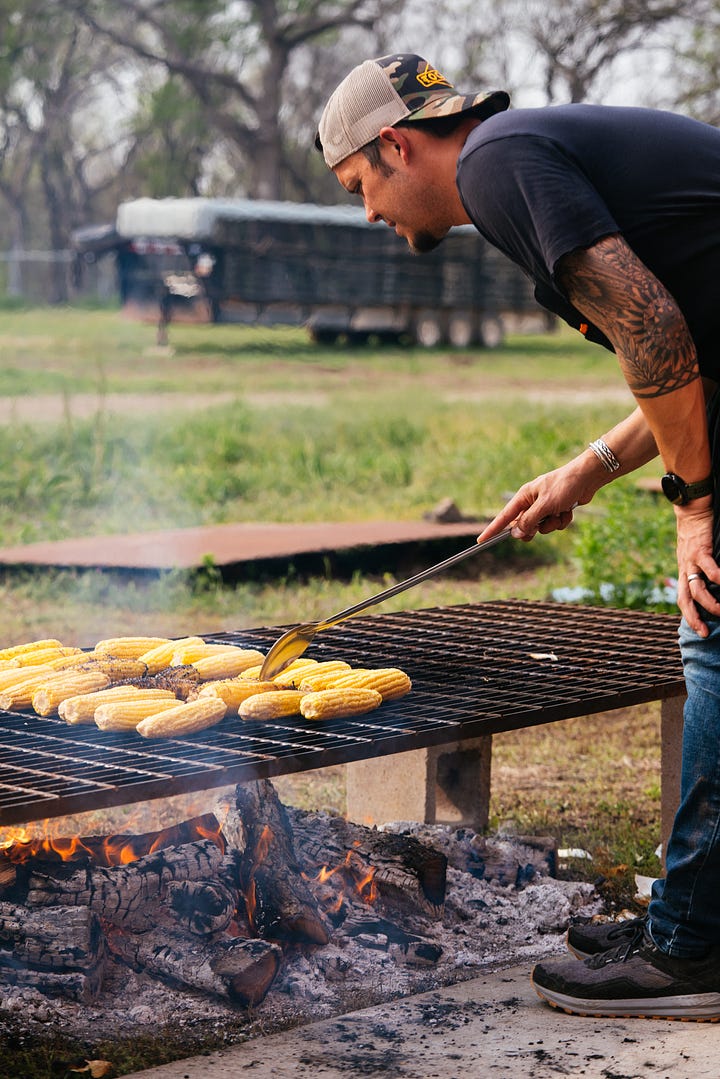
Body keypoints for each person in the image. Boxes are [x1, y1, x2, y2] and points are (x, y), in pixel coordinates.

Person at [316, 53, 720, 1020]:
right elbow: (691, 348)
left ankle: (694, 954)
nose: (370, 212)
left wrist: (696, 505)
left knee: (714, 634)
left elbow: (652, 322)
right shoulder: (526, 154)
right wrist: (588, 467)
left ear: (396, 144)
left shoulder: (496, 164)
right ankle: (696, 919)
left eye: (361, 186)